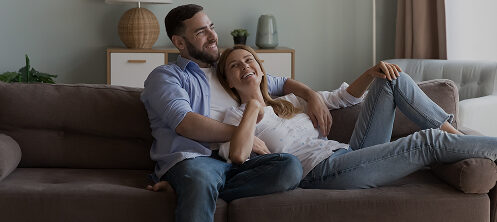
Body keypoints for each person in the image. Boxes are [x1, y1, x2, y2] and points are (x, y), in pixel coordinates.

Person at [140, 4, 332, 222]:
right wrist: (240, 133)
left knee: (289, 166)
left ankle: (186, 190)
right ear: (179, 42)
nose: (213, 36)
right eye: (201, 32)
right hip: (196, 159)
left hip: (237, 160)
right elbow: (186, 123)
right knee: (200, 178)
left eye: (211, 27)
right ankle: (193, 187)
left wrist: (312, 95)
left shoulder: (227, 70)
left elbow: (277, 82)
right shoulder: (167, 76)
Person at [216, 45, 497, 190]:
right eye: (234, 65)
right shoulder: (233, 116)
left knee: (391, 77)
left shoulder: (289, 102)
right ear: (229, 81)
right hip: (320, 173)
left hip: (348, 154)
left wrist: (371, 72)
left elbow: (344, 98)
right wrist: (253, 107)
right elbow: (237, 154)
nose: (244, 66)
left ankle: (452, 132)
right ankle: (452, 138)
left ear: (261, 68)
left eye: (249, 60)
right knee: (426, 142)